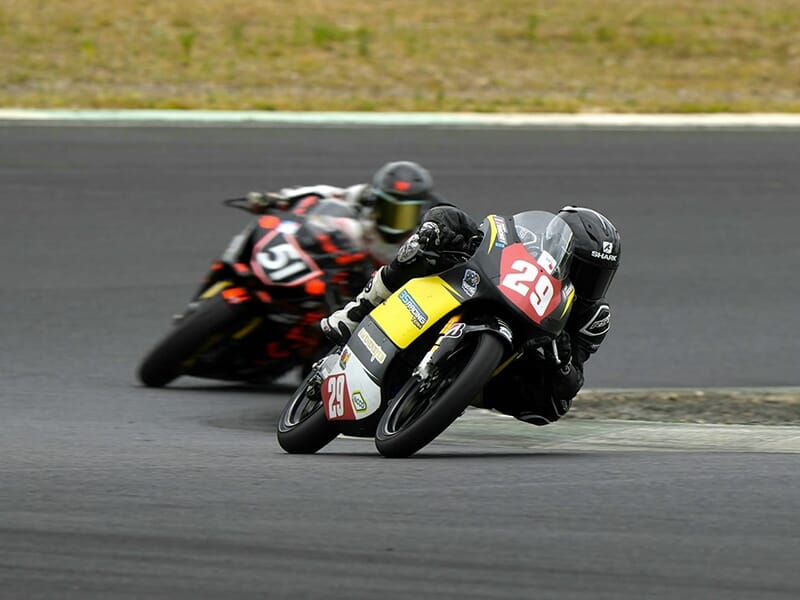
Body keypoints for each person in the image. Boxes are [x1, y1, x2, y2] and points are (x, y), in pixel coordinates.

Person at [320, 204, 621, 426]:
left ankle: (455, 388)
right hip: (485, 288)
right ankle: (357, 311)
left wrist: (564, 361)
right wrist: (443, 225)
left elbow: (572, 382)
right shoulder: (528, 238)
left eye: (596, 277)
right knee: (422, 245)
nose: (586, 284)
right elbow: (477, 227)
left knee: (553, 406)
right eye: (582, 271)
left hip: (514, 361)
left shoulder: (592, 317)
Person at [245, 160, 446, 266]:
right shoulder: (363, 197)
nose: (394, 219)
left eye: (404, 212)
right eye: (388, 208)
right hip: (339, 266)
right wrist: (281, 198)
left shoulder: (423, 239)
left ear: (419, 211)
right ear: (376, 200)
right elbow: (327, 193)